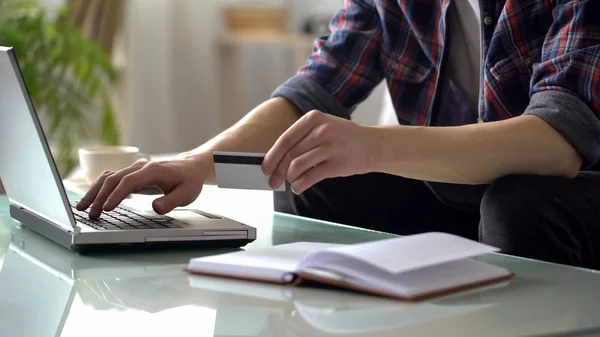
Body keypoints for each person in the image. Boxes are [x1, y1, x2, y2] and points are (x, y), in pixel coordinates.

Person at [77, 0, 600, 269]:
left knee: (516, 205)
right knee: (312, 175)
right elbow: (312, 93)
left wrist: (372, 143)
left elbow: (555, 141)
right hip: (463, 195)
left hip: (574, 190)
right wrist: (198, 164)